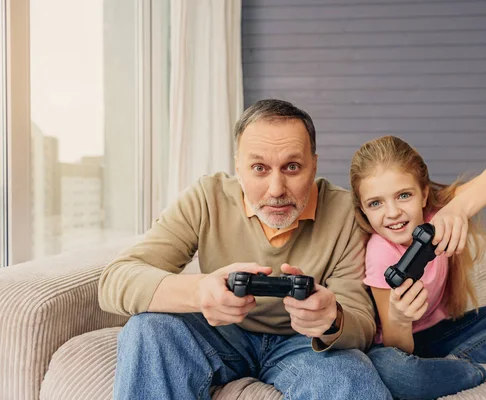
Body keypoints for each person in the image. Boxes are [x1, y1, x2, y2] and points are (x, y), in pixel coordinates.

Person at [99, 99, 392, 400]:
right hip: (222, 333)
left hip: (303, 343)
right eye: (259, 168)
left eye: (292, 167)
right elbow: (115, 280)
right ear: (238, 167)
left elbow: (363, 324)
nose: (276, 189)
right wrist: (199, 291)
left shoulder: (345, 212)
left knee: (352, 375)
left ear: (313, 165)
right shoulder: (206, 197)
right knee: (147, 329)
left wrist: (332, 318)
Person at [349, 135, 486, 399]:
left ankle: (446, 372)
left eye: (404, 195)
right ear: (363, 209)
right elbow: (400, 349)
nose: (393, 212)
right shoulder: (380, 252)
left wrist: (459, 208)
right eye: (376, 203)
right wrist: (399, 318)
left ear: (424, 195)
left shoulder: (439, 213)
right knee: (395, 372)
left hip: (445, 334)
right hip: (403, 345)